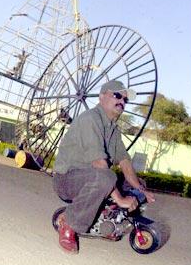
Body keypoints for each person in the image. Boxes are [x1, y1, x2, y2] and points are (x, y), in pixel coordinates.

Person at [52, 80, 155, 254]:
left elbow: (124, 161)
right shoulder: (90, 119)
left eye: (125, 99)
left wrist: (140, 189)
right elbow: (99, 165)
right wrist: (120, 199)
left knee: (135, 184)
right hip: (67, 180)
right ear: (102, 97)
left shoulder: (113, 130)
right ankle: (69, 223)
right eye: (117, 95)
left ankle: (109, 221)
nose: (121, 101)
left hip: (90, 178)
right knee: (106, 177)